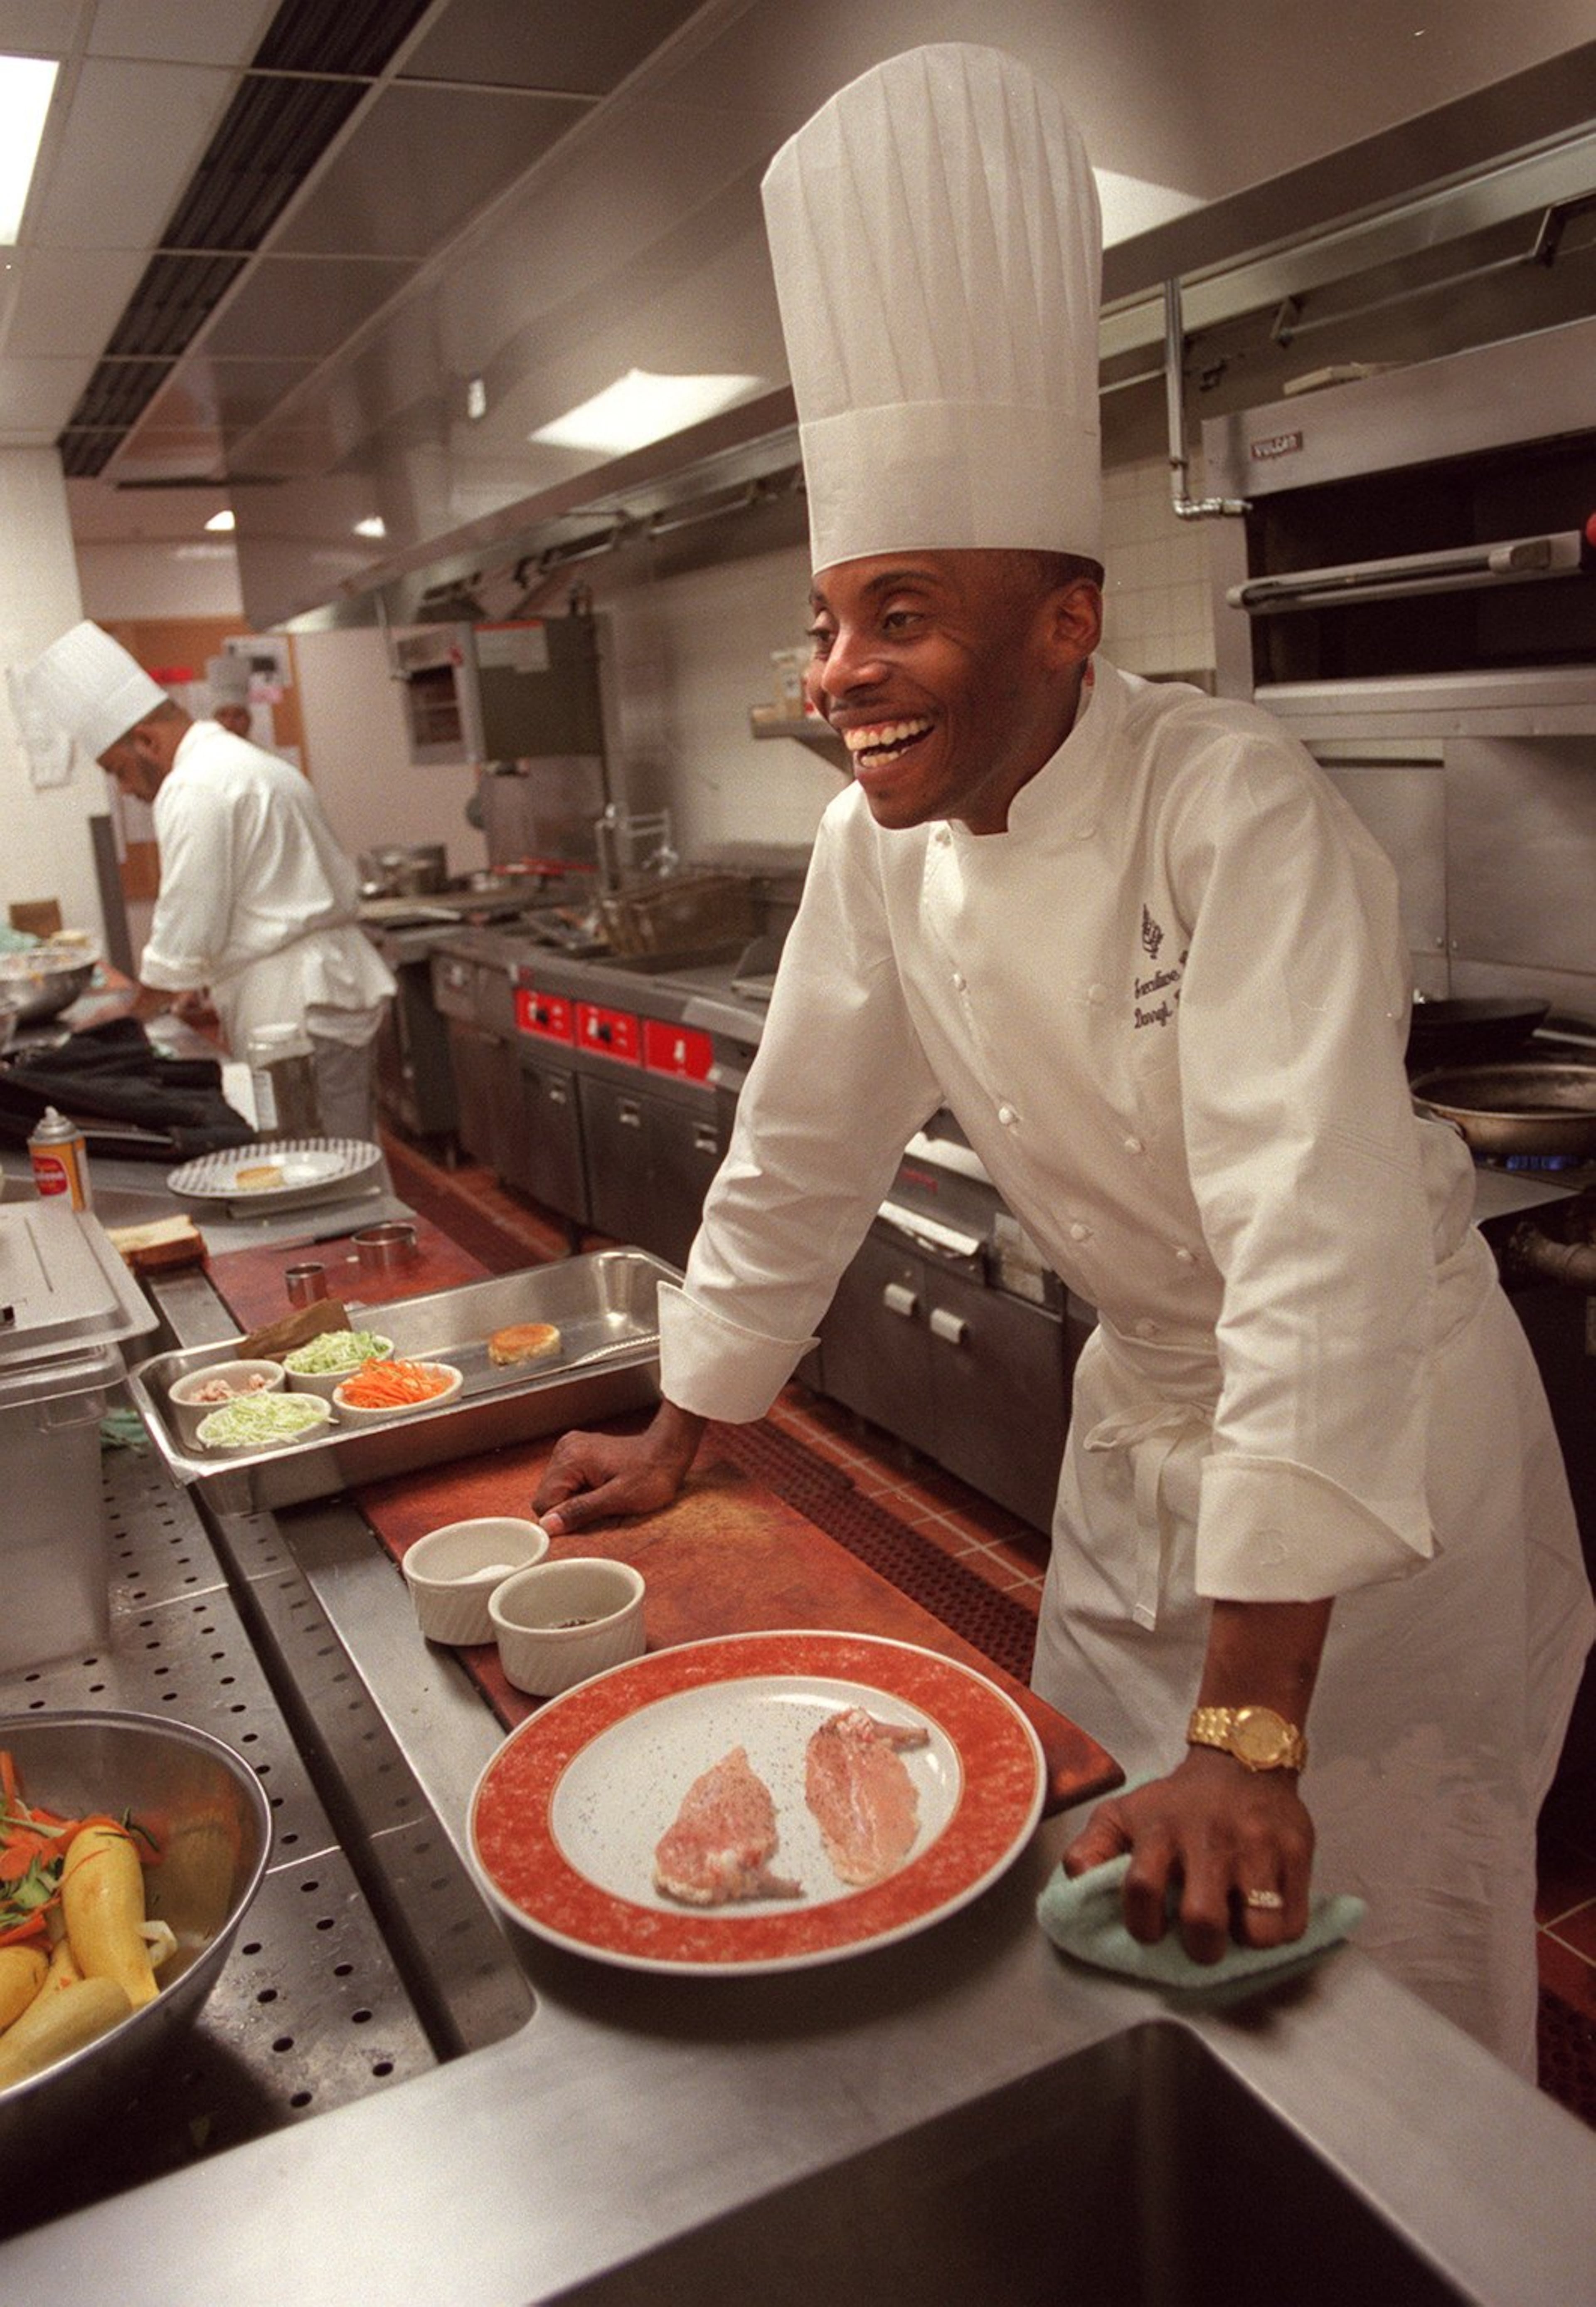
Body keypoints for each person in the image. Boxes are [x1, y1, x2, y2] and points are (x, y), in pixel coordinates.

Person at [531, 46, 1593, 2077]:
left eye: (901, 612)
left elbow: (1317, 1245)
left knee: (1393, 1980)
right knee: (1115, 1880)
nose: (842, 671)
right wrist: (690, 1418)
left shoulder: (1242, 812)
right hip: (1147, 1452)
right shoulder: (875, 843)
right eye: (834, 619)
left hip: (1379, 1467)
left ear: (1069, 623)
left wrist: (1254, 1723)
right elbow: (800, 1141)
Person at [19, 621, 394, 1142]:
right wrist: (197, 979)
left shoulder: (195, 784)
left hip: (298, 1007)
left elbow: (187, 921)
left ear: (147, 740)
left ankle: (376, 1229)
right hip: (317, 994)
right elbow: (242, 899)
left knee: (324, 1159)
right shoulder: (236, 763)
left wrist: (131, 1011)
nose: (126, 789)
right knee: (345, 1145)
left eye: (118, 770)